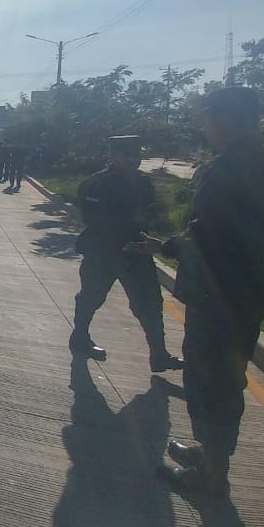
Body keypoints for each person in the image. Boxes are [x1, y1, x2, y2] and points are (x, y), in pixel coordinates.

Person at [127, 87, 264, 498]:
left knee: (211, 382)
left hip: (220, 297)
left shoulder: (232, 169)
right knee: (219, 379)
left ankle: (212, 475)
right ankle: (210, 454)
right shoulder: (259, 165)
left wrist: (167, 246)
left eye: (208, 116)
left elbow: (208, 237)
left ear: (227, 119)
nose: (205, 125)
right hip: (240, 290)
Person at [70, 135, 183, 372]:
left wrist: (147, 217)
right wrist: (126, 218)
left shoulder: (143, 182)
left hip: (137, 250)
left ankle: (159, 355)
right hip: (103, 251)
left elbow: (151, 209)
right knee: (91, 297)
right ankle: (80, 337)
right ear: (113, 155)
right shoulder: (99, 183)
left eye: (136, 155)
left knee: (150, 302)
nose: (133, 160)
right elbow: (89, 216)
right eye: (126, 154)